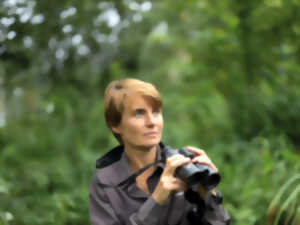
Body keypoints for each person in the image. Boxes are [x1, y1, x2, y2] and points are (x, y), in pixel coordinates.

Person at [89, 78, 230, 225]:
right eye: (139, 113)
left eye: (156, 112)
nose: (151, 122)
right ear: (115, 125)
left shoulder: (186, 169)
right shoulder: (105, 182)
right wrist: (156, 201)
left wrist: (209, 193)